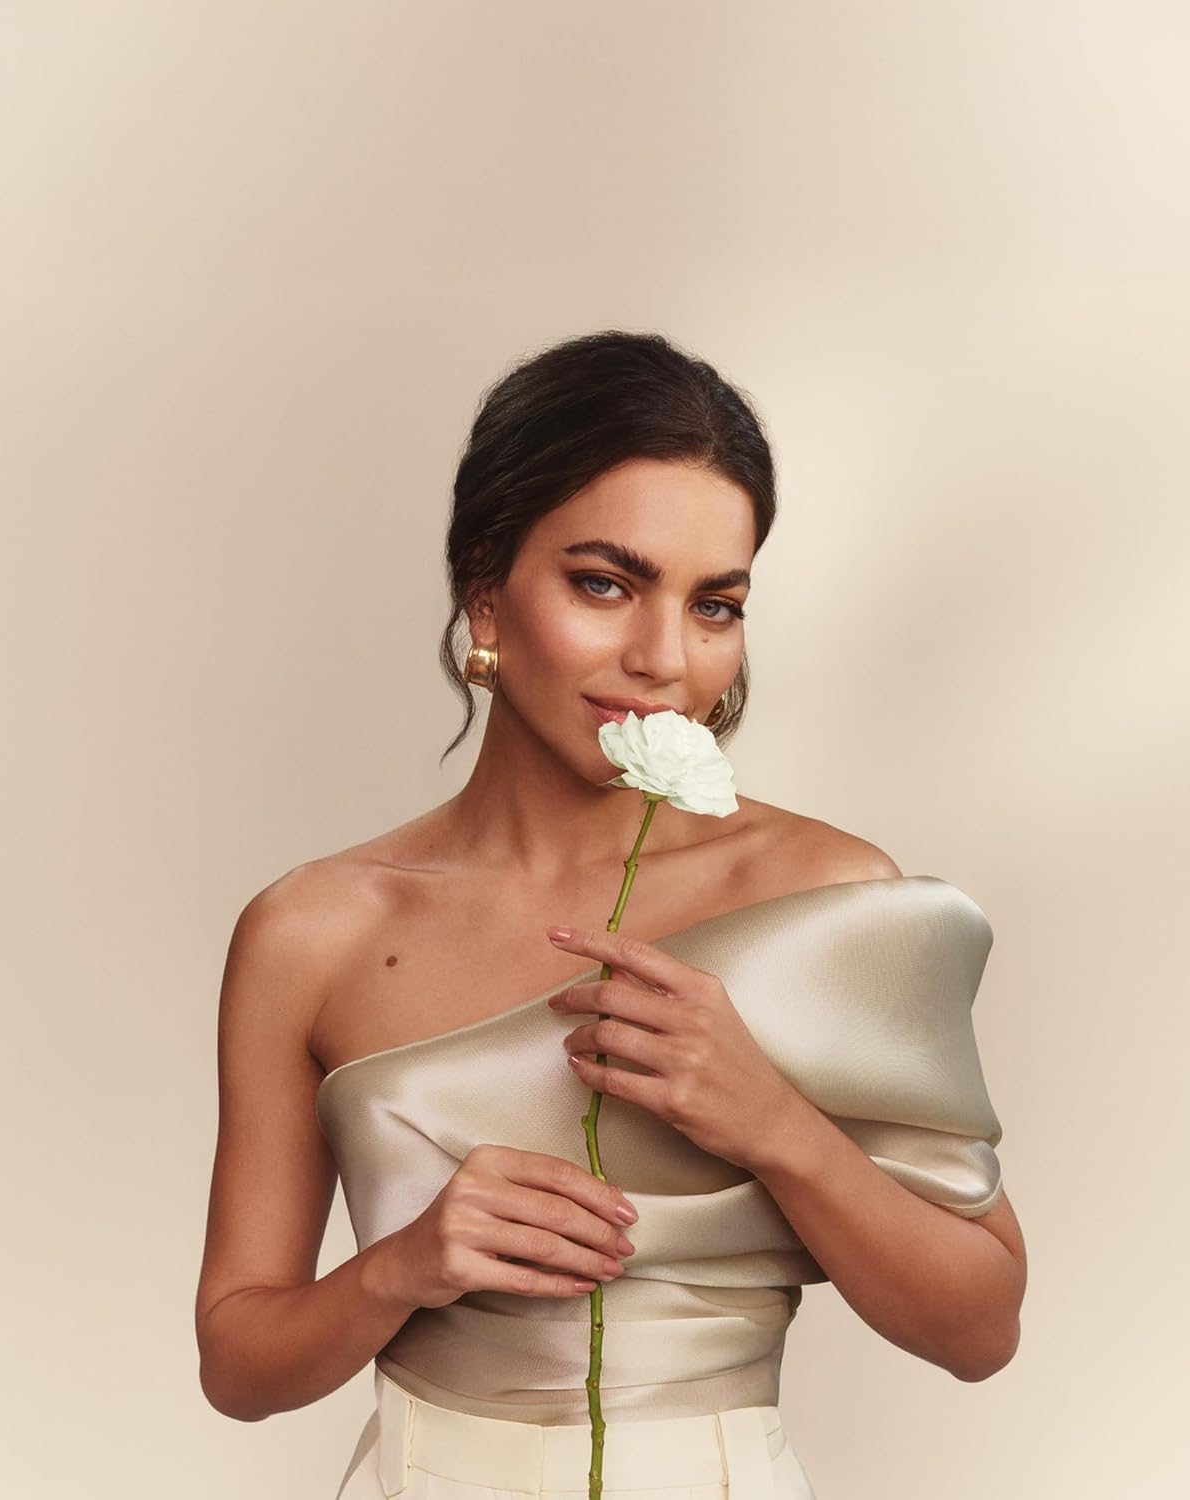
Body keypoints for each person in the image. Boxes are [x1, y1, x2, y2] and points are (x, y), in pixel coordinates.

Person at [194, 329, 1028, 1498]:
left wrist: (770, 1120)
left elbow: (980, 1328)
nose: (665, 658)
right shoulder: (313, 931)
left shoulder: (825, 900)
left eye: (716, 604)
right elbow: (240, 1360)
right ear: (485, 586)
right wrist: (406, 1267)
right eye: (605, 584)